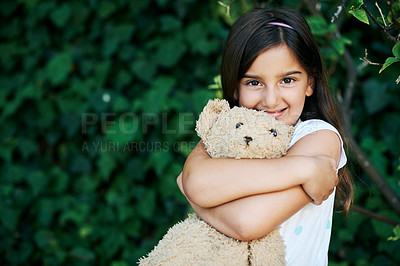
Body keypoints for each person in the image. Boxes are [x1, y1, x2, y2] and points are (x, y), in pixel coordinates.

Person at [177, 7, 353, 265]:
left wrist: (198, 200)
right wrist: (304, 168)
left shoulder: (319, 137)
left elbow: (246, 222)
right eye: (253, 83)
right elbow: (191, 180)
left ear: (310, 83)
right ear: (235, 88)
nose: (271, 100)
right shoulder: (230, 130)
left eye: (288, 80)